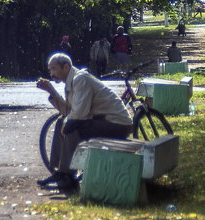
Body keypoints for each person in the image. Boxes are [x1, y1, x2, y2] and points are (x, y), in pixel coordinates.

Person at [35, 52, 134, 191]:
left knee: (72, 126)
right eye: (50, 70)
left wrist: (67, 123)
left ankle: (66, 174)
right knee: (61, 122)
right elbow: (67, 112)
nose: (51, 73)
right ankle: (60, 170)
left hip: (117, 124)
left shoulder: (80, 79)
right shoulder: (70, 82)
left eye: (54, 69)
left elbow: (79, 115)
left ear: (66, 67)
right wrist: (51, 91)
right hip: (103, 121)